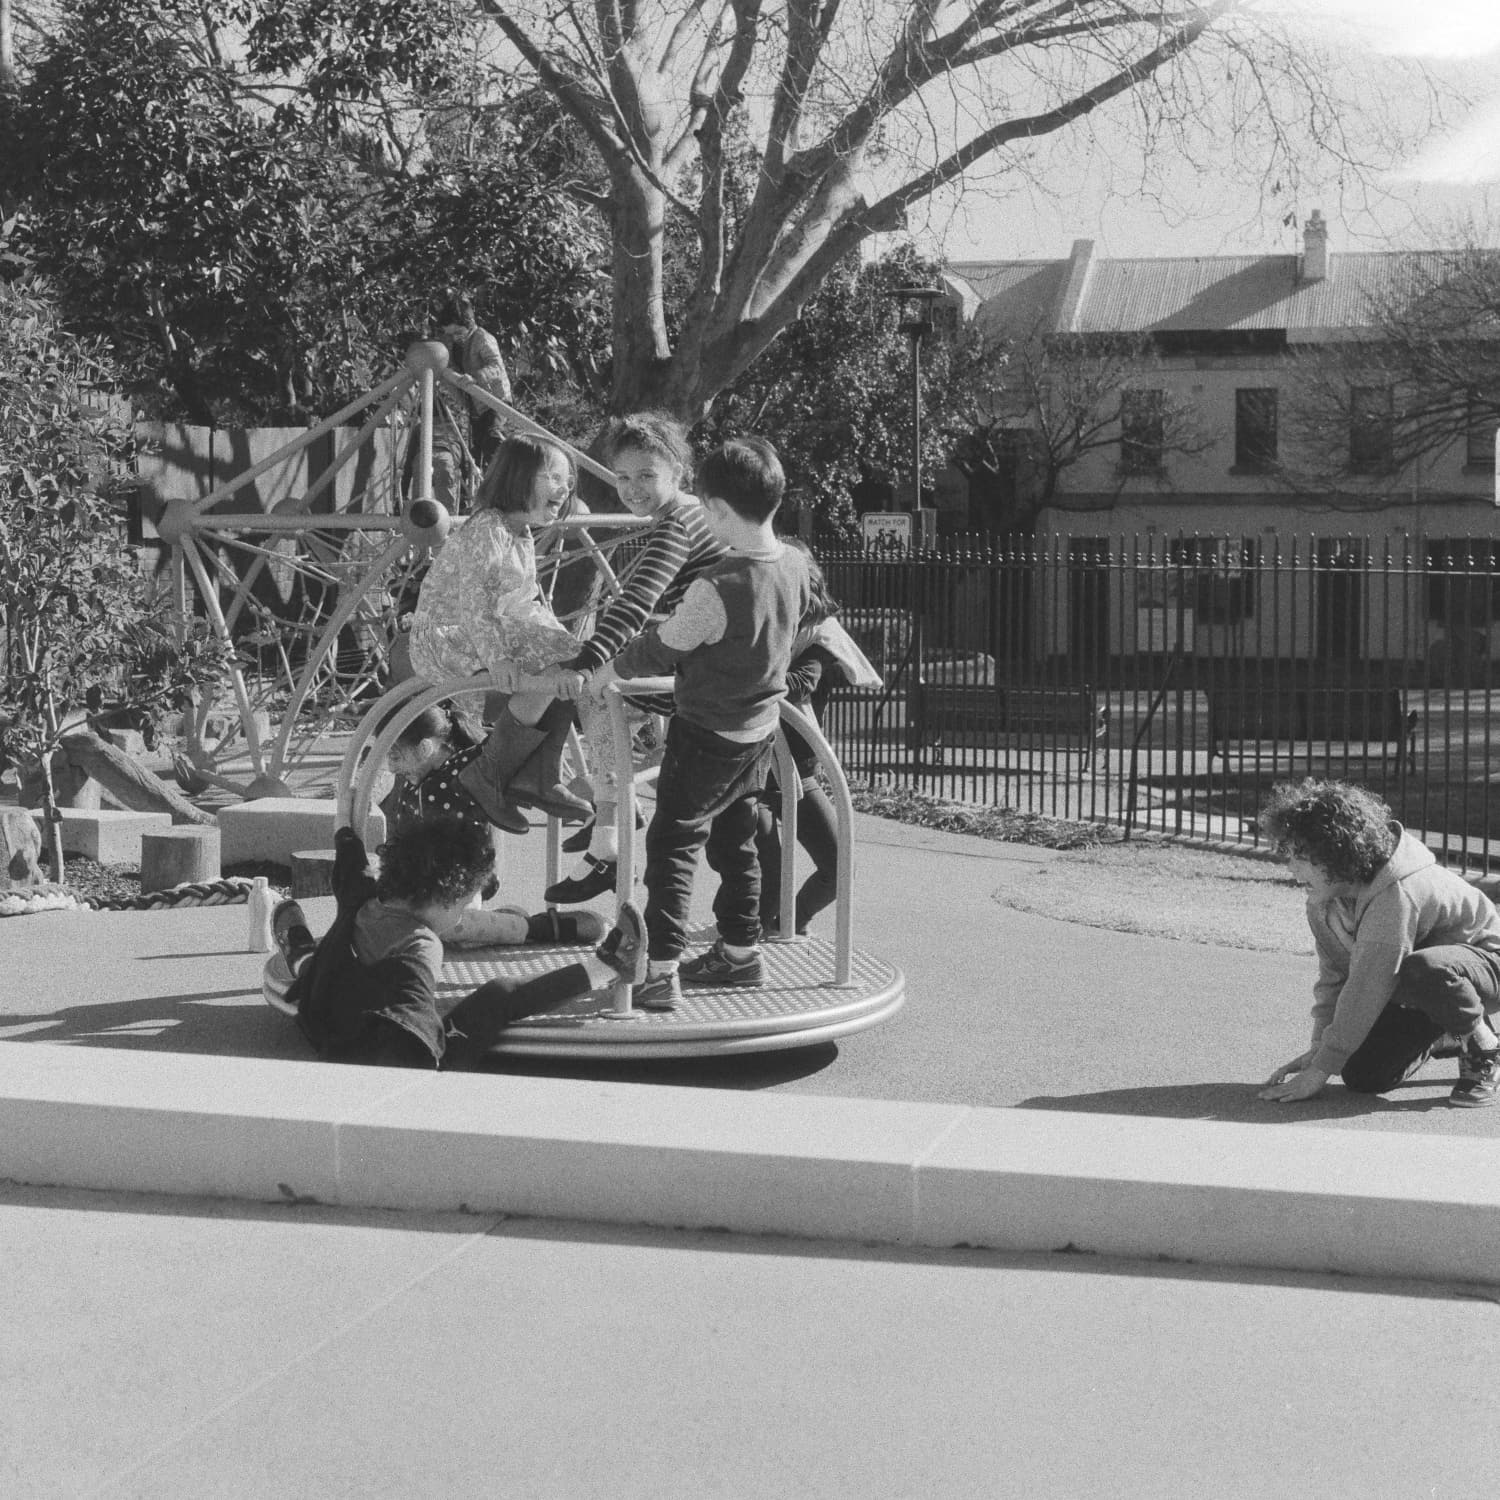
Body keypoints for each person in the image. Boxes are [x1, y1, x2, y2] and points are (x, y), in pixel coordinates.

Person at [586, 437, 811, 1011]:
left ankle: (661, 969)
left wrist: (606, 667)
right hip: (758, 728)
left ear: (715, 509)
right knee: (737, 841)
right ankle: (741, 952)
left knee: (672, 843)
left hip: (707, 731)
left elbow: (664, 645)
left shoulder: (719, 584)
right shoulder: (795, 563)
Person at [261, 820, 645, 1069]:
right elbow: (409, 1017)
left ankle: (296, 943)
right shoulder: (420, 946)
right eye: (462, 907)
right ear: (444, 899)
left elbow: (349, 869)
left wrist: (346, 833)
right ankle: (610, 965)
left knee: (317, 964)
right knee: (498, 995)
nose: (461, 918)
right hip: (370, 1052)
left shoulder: (365, 897)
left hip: (317, 1012)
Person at [545, 412, 728, 904]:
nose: (633, 489)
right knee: (607, 702)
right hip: (709, 656)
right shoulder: (694, 512)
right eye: (623, 477)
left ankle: (608, 837)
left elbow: (636, 601)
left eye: (647, 475)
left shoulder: (677, 527)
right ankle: (614, 802)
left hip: (704, 670)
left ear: (677, 473)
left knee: (596, 694)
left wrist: (588, 663)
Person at [1257, 777, 1500, 1109]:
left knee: (1427, 967)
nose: (1290, 867)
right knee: (1363, 1075)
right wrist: (1319, 1051)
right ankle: (1450, 1030)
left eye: (1299, 856)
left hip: (1485, 966)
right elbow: (1336, 979)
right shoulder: (1323, 903)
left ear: (1334, 853)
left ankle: (1483, 1047)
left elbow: (1369, 985)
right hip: (1421, 988)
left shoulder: (1397, 895)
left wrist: (1317, 1073)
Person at [406, 435, 592, 834]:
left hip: (481, 633)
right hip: (446, 635)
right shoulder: (488, 528)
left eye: (568, 481)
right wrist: (500, 659)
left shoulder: (520, 535)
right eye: (553, 477)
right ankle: (488, 773)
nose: (564, 488)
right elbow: (476, 603)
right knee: (562, 657)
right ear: (519, 476)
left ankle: (540, 774)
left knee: (572, 659)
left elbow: (526, 605)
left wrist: (572, 648)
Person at [754, 541, 880, 937]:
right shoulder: (756, 620)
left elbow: (801, 683)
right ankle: (745, 937)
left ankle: (788, 921)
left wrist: (747, 678)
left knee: (840, 866)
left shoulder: (817, 635)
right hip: (749, 768)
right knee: (766, 866)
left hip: (794, 772)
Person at [436, 291, 513, 477]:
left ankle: (509, 469)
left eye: (457, 332)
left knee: (492, 437)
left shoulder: (483, 338)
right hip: (474, 404)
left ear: (468, 324)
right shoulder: (451, 344)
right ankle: (483, 486)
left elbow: (496, 367)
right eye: (450, 334)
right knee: (476, 451)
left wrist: (475, 377)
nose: (454, 337)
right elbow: (449, 371)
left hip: (495, 399)